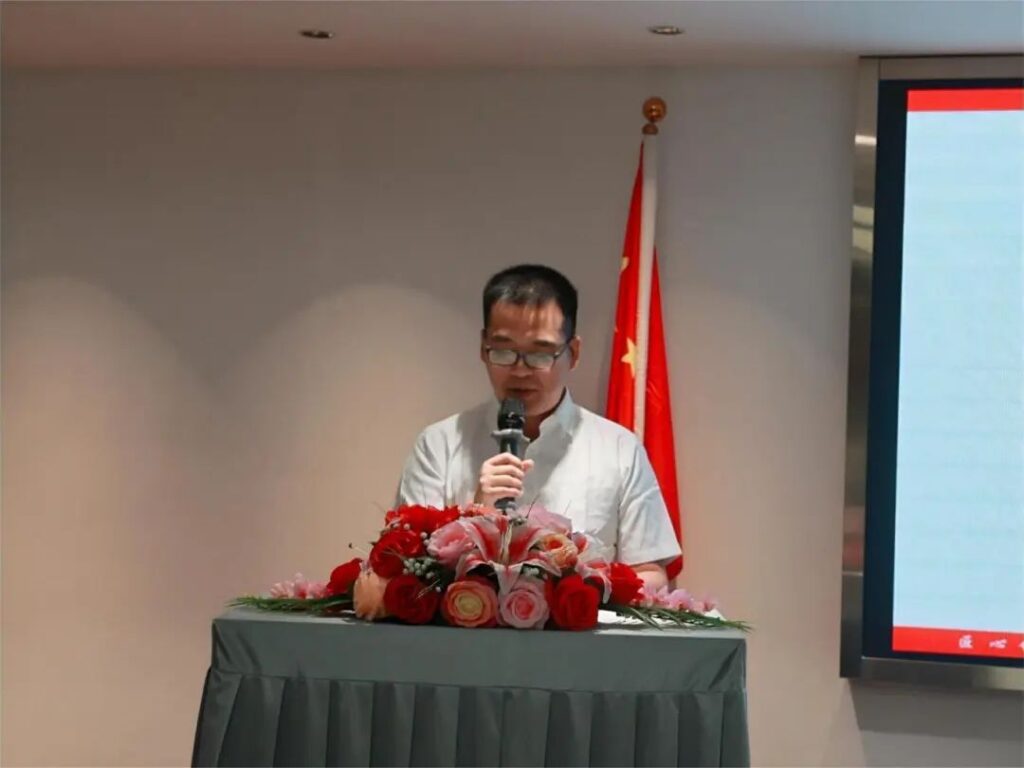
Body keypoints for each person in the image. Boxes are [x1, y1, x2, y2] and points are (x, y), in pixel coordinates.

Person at [396, 264, 680, 587]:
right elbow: (406, 572)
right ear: (483, 347)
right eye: (503, 351)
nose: (520, 370)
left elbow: (650, 574)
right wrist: (474, 515)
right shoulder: (439, 445)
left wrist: (583, 594)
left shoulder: (619, 449)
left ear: (573, 353)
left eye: (540, 354)